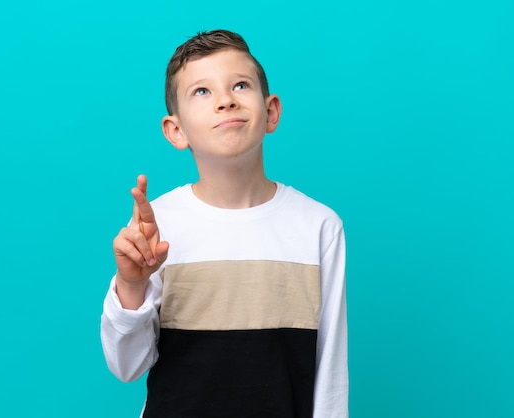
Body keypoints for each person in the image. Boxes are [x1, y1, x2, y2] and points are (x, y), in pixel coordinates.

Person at [100, 29, 348, 417]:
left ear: (271, 111)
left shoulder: (318, 226)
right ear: (175, 130)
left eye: (240, 85)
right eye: (202, 91)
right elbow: (127, 366)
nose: (225, 100)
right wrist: (132, 285)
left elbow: (330, 371)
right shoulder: (158, 226)